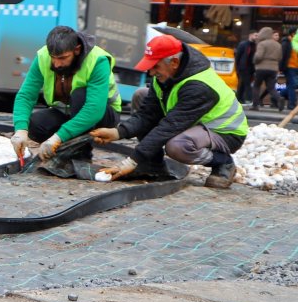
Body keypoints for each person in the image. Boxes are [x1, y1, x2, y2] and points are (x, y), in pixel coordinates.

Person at [91, 34, 247, 189]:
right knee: (141, 94)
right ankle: (152, 165)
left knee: (177, 146)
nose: (151, 73)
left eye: (155, 66)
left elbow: (169, 126)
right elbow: (147, 116)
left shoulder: (199, 86)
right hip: (195, 125)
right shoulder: (164, 77)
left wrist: (131, 162)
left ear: (174, 62)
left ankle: (223, 162)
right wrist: (118, 132)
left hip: (226, 133)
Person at [10, 26, 121, 167]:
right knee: (34, 124)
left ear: (77, 50)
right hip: (67, 113)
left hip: (103, 116)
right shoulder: (43, 56)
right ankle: (65, 149)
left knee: (80, 96)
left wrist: (58, 137)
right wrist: (20, 130)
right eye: (53, 58)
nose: (57, 64)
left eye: (62, 58)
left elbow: (94, 110)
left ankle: (82, 156)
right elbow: (26, 95)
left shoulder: (97, 60)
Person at [251, 27, 282, 110]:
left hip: (261, 67)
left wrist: (254, 61)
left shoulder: (262, 44)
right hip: (273, 68)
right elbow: (280, 57)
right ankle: (279, 99)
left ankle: (255, 105)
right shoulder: (278, 45)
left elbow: (258, 56)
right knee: (271, 87)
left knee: (256, 85)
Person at [234, 31, 257, 103]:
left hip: (251, 67)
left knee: (243, 83)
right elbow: (238, 56)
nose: (257, 37)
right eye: (255, 35)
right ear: (250, 35)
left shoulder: (255, 45)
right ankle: (249, 98)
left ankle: (239, 98)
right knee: (247, 83)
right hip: (244, 67)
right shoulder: (243, 44)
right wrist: (237, 66)